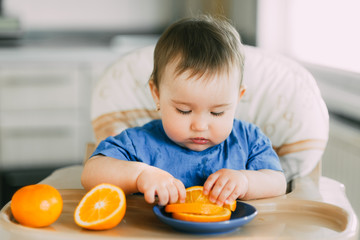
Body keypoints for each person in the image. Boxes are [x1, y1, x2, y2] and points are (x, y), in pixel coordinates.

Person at [81, 15, 287, 207]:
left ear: (238, 99)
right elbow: (91, 173)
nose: (200, 125)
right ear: (157, 94)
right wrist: (139, 176)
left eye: (217, 113)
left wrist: (245, 181)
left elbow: (278, 182)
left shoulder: (248, 141)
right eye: (184, 110)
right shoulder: (139, 143)